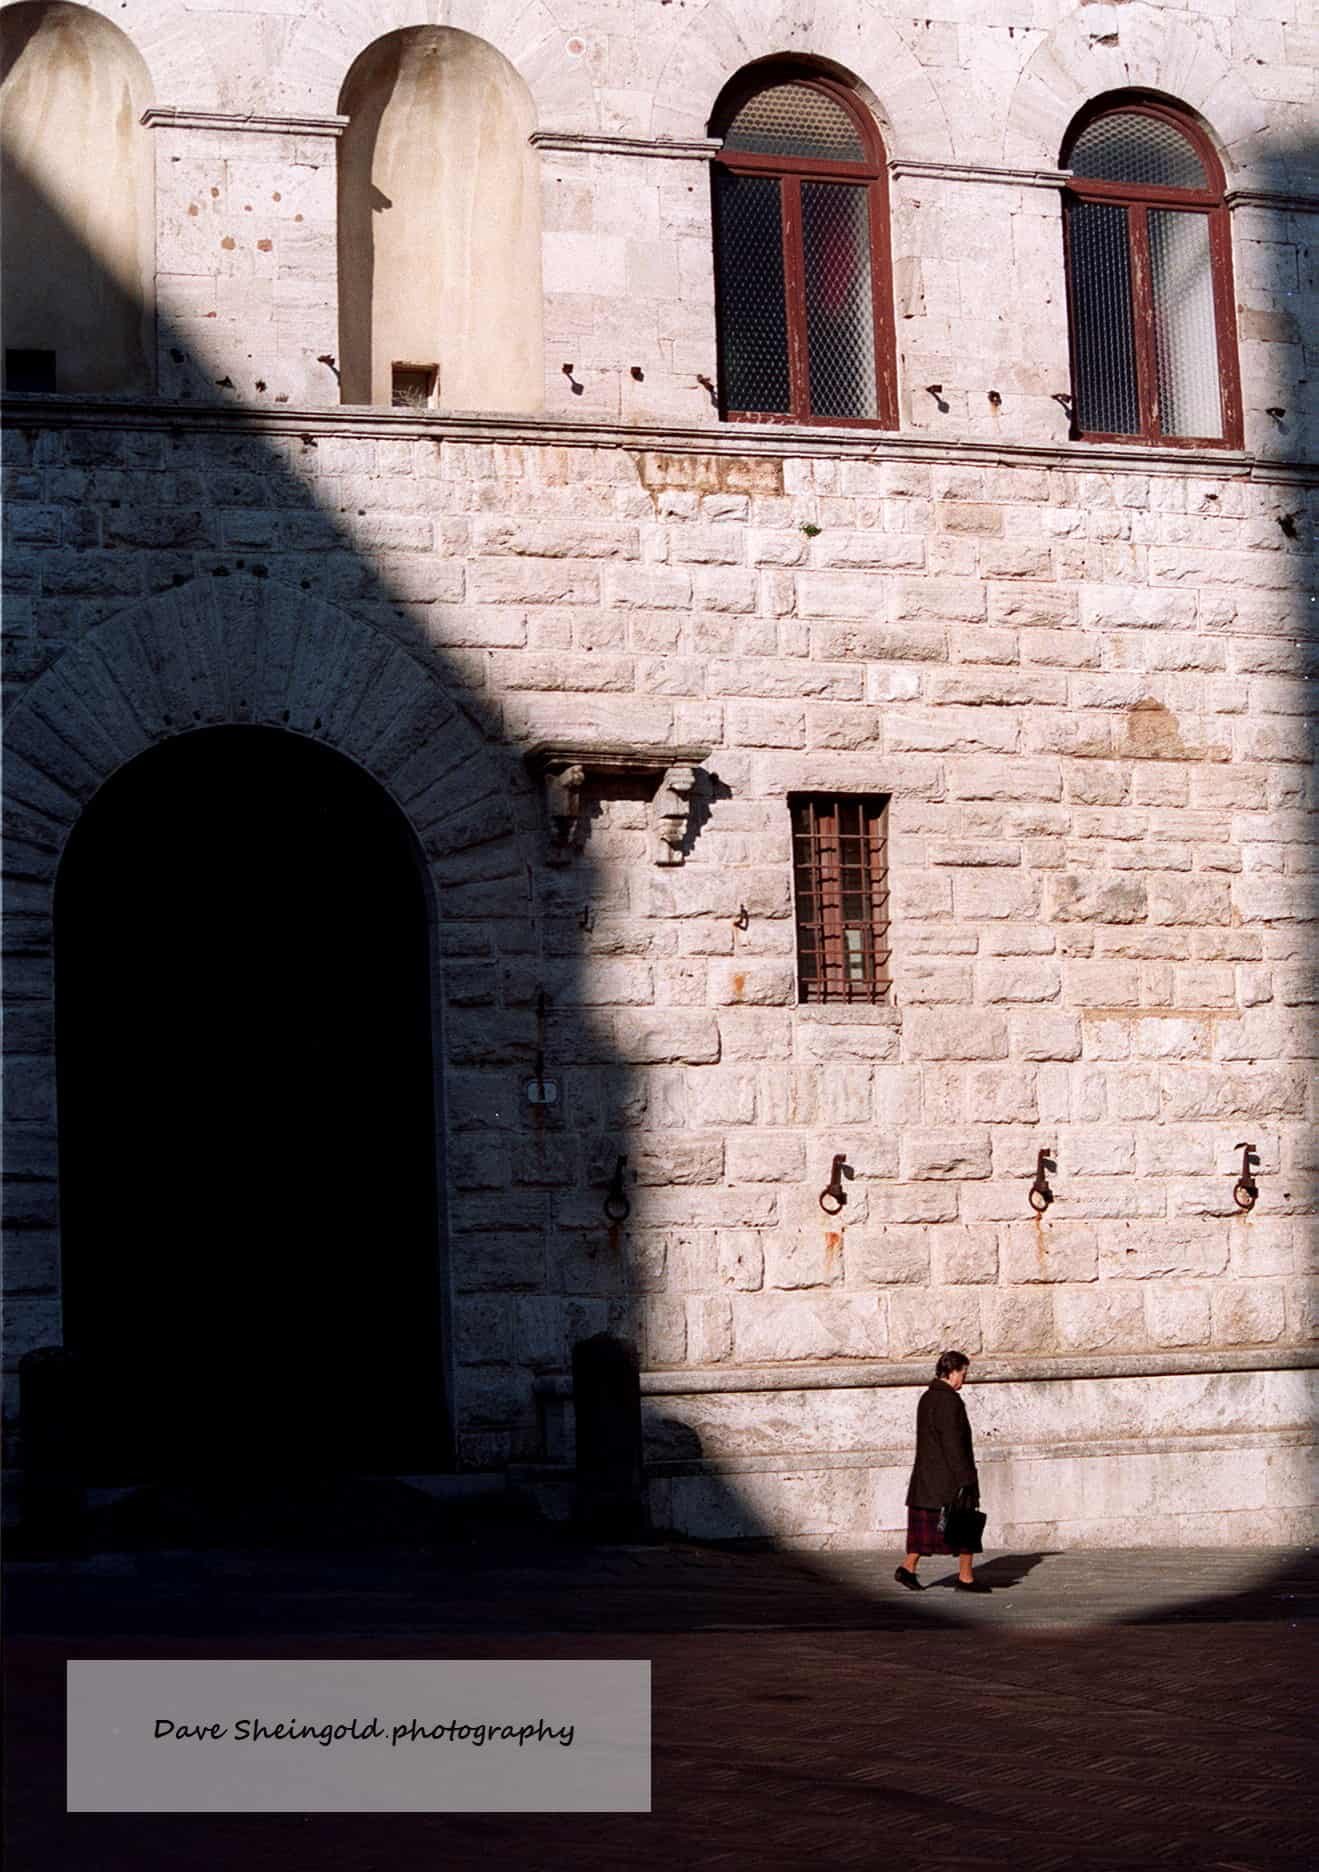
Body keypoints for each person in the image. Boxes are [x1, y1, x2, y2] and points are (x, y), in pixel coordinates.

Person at [895, 1349, 989, 1594]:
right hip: (949, 1479)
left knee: (925, 1532)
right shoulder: (949, 1401)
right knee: (965, 1525)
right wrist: (966, 1478)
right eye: (963, 1373)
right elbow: (953, 1443)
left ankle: (908, 1567)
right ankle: (965, 1578)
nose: (964, 1379)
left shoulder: (927, 1397)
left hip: (927, 1481)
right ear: (952, 1372)